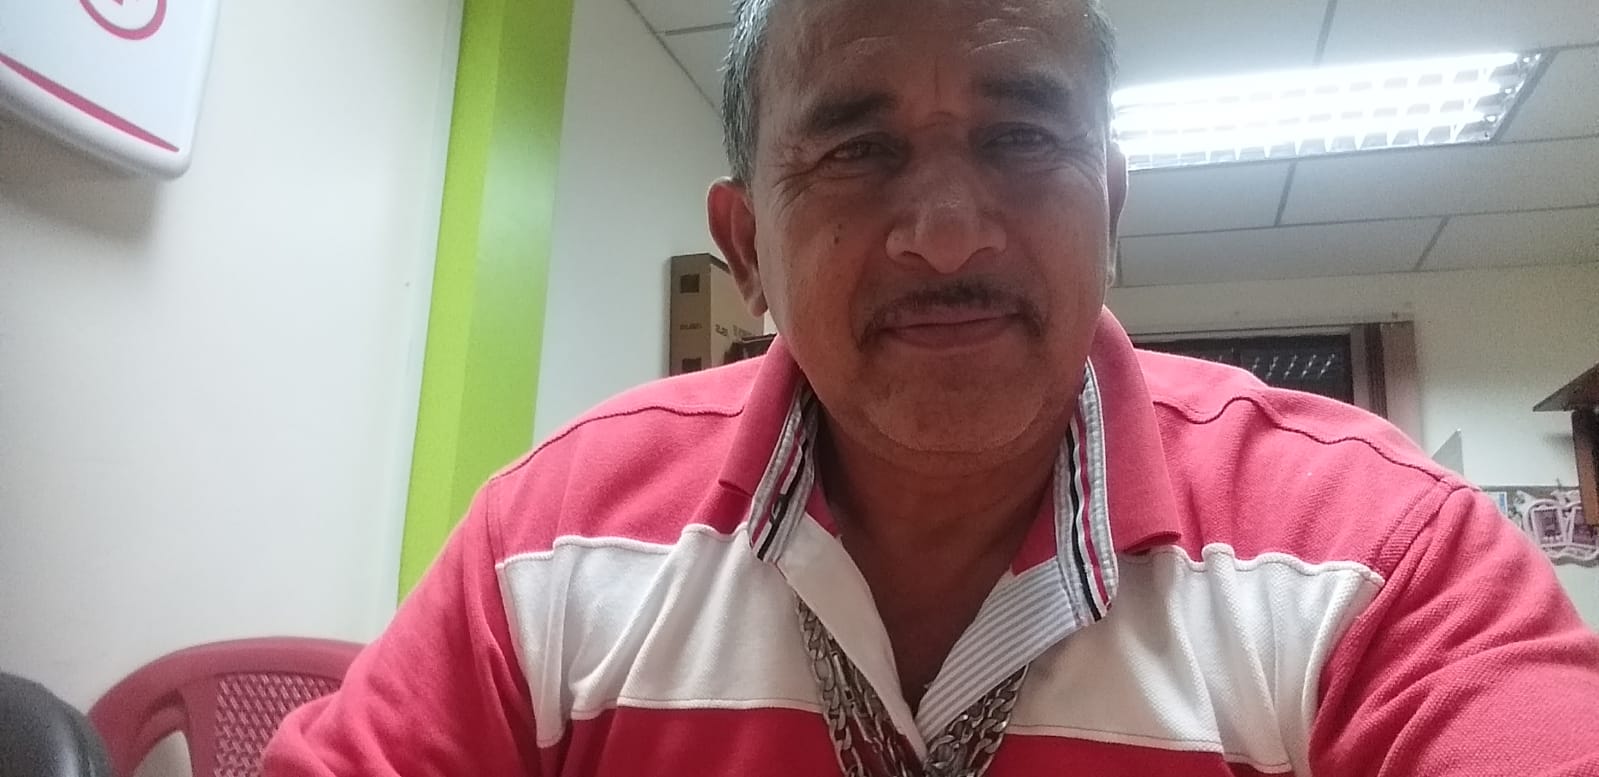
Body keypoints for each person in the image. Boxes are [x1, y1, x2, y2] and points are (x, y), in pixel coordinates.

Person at [263, 0, 1599, 774]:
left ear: (1109, 207)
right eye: (857, 151)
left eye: (1021, 135)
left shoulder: (1384, 556)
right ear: (748, 250)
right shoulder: (551, 541)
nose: (949, 233)